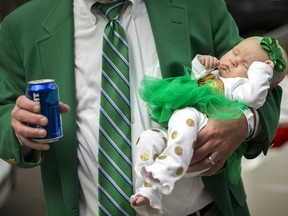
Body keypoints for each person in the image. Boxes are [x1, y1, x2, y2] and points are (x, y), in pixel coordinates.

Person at [0, 0, 285, 215]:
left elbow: (268, 86)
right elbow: (4, 112)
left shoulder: (200, 5)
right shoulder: (21, 26)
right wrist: (20, 130)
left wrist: (244, 122)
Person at [130, 36, 288, 215]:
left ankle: (173, 164)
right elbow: (193, 79)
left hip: (200, 140)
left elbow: (255, 97)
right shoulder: (215, 73)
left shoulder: (238, 87)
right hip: (180, 136)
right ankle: (148, 189)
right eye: (235, 52)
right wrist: (201, 63)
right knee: (149, 138)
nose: (234, 60)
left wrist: (262, 72)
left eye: (246, 65)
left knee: (186, 114)